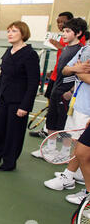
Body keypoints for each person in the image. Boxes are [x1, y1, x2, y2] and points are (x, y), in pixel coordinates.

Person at [0, 21, 40, 171]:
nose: (10, 34)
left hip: (18, 102)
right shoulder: (9, 51)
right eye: (9, 31)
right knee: (0, 128)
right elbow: (3, 75)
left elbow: (33, 83)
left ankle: (9, 161)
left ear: (23, 34)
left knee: (14, 133)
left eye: (14, 31)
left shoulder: (30, 55)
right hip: (4, 98)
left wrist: (25, 106)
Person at [31, 18, 88, 160]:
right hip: (57, 90)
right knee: (51, 121)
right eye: (63, 31)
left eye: (68, 31)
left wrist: (69, 92)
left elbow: (80, 76)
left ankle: (64, 153)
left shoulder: (80, 51)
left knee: (64, 126)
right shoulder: (67, 49)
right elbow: (64, 70)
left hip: (66, 94)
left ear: (79, 33)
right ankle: (50, 149)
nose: (64, 34)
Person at [43, 44, 90, 204]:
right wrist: (78, 70)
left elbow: (84, 75)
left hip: (87, 109)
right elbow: (65, 70)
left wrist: (79, 72)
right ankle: (74, 175)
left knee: (82, 148)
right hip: (77, 104)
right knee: (77, 142)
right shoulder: (85, 48)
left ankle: (69, 176)